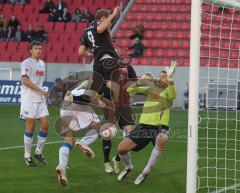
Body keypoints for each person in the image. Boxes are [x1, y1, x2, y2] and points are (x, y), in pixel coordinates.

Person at [117, 65, 176, 185]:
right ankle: (128, 167)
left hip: (160, 127)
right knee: (121, 149)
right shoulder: (151, 89)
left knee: (162, 138)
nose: (159, 79)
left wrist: (169, 79)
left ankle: (146, 171)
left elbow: (172, 95)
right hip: (144, 126)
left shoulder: (170, 89)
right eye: (159, 76)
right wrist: (141, 81)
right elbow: (129, 90)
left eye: (163, 77)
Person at [56, 79, 109, 186]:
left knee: (68, 140)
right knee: (99, 128)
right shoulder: (100, 85)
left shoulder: (77, 88)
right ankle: (84, 142)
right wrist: (99, 102)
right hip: (78, 104)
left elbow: (73, 96)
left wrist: (99, 102)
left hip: (66, 106)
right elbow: (89, 98)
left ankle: (62, 167)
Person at [78, 7, 121, 126]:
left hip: (97, 63)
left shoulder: (86, 32)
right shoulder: (101, 25)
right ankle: (117, 111)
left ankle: (103, 106)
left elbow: (81, 52)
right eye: (108, 20)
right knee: (115, 87)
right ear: (102, 18)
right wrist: (113, 14)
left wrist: (90, 54)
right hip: (108, 60)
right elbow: (101, 28)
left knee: (96, 91)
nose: (110, 23)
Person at [102, 48, 138, 174]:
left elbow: (134, 81)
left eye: (116, 51)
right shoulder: (104, 68)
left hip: (125, 104)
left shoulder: (126, 66)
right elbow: (99, 83)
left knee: (131, 134)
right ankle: (106, 162)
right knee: (107, 133)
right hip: (110, 105)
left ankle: (117, 158)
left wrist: (132, 86)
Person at [20, 40, 49, 167]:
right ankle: (27, 155)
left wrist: (42, 91)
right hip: (29, 99)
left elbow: (38, 81)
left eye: (40, 48)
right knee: (30, 127)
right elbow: (25, 81)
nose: (39, 51)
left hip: (40, 99)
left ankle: (38, 152)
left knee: (45, 124)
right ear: (30, 50)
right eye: (36, 48)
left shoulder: (42, 63)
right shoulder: (26, 63)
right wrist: (40, 90)